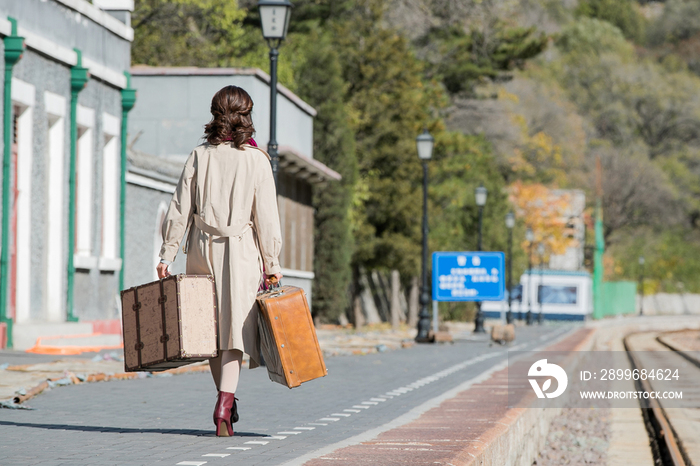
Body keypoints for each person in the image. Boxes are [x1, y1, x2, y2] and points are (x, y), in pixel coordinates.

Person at [156, 86, 283, 437]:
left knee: (210, 330)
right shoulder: (257, 160)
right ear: (246, 115)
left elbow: (179, 207)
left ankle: (225, 401)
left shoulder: (199, 156)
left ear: (215, 114)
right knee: (234, 332)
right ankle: (225, 402)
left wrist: (167, 252)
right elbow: (267, 218)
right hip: (242, 251)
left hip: (202, 248)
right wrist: (272, 263)